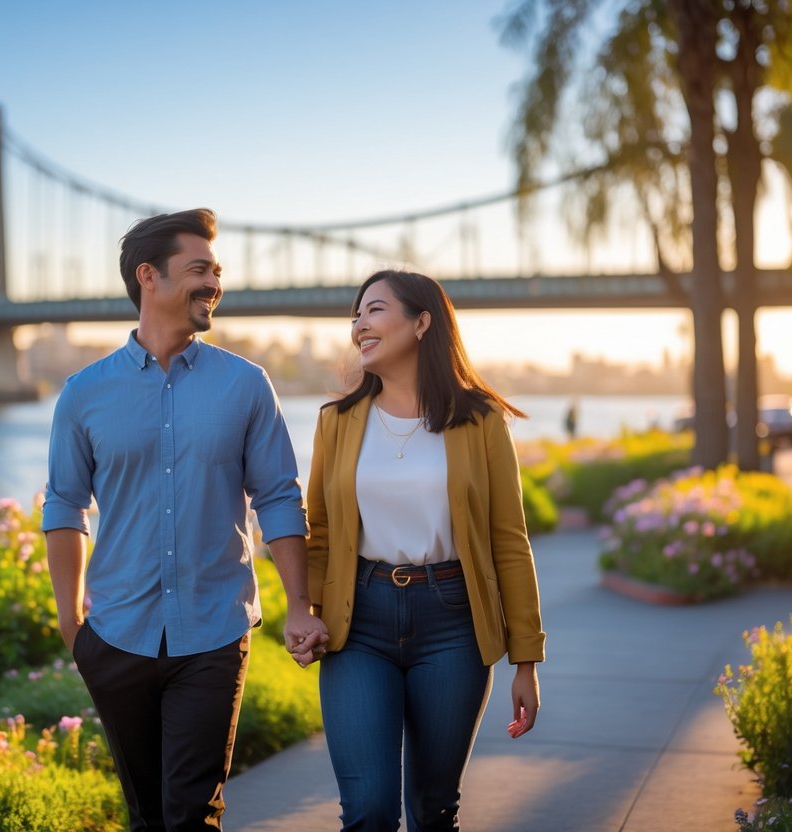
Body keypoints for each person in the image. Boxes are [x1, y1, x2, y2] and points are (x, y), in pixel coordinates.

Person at [42, 208, 327, 831]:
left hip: (214, 633)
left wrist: (300, 605)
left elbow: (278, 496)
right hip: (116, 635)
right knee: (146, 815)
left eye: (216, 271)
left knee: (193, 813)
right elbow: (65, 505)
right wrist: (72, 627)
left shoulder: (246, 385)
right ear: (149, 276)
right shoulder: (83, 393)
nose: (213, 284)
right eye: (199, 270)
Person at [302, 269, 546, 832]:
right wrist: (307, 610)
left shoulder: (481, 421)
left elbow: (509, 540)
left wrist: (526, 661)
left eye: (375, 310)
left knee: (434, 812)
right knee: (367, 811)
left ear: (422, 322)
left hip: (454, 624)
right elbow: (319, 530)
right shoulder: (335, 422)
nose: (360, 324)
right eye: (356, 314)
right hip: (358, 625)